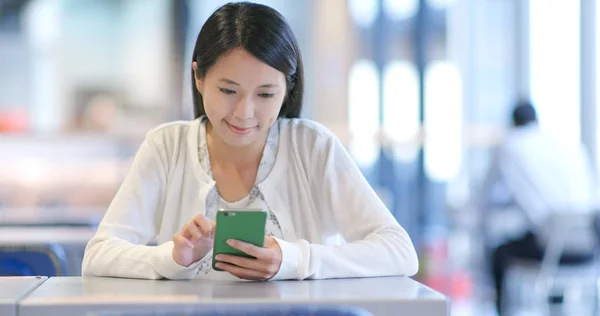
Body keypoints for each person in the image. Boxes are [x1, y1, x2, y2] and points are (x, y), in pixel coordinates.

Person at [82, 2, 418, 281]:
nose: (244, 113)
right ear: (198, 77)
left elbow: (399, 252)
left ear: (288, 89)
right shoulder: (166, 146)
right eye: (228, 91)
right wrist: (174, 258)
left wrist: (293, 259)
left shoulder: (313, 148)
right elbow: (98, 255)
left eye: (266, 94)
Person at [479, 100, 597, 314]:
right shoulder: (566, 144)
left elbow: (485, 196)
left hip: (547, 251)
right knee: (549, 240)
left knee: (499, 252)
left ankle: (499, 311)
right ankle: (556, 308)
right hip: (588, 251)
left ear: (513, 123)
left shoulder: (510, 145)